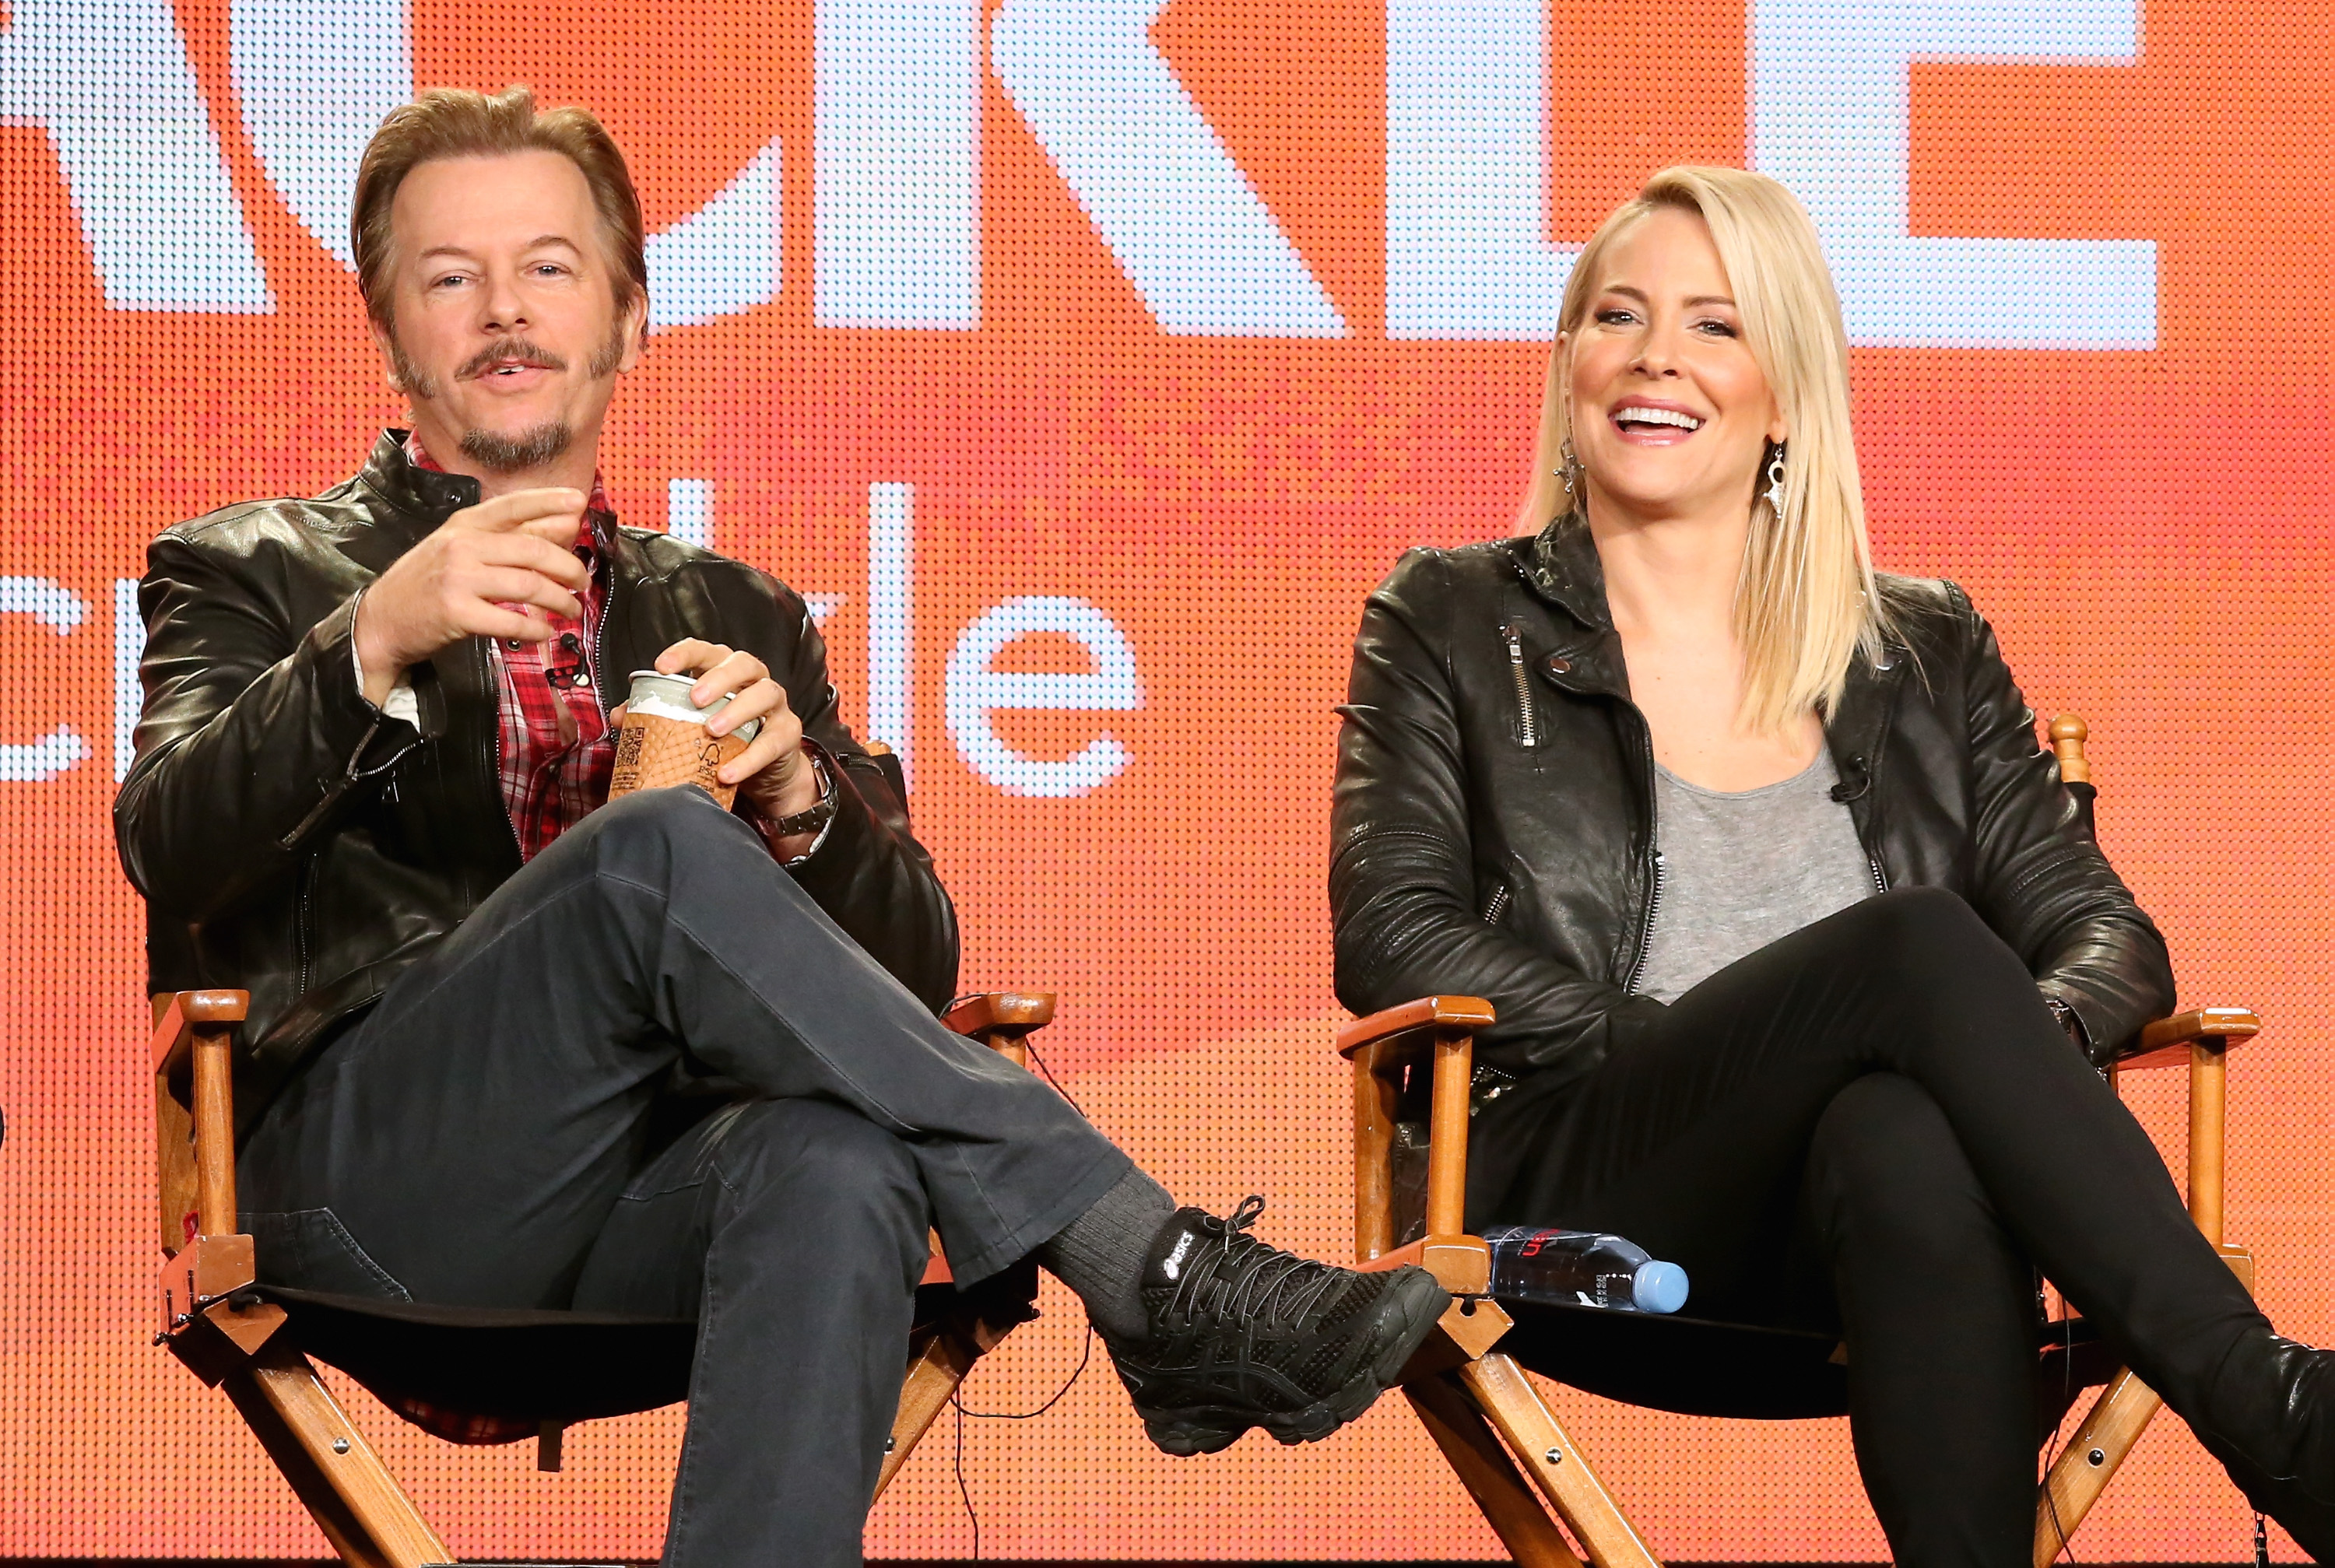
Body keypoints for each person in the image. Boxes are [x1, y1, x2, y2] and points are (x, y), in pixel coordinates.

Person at [114, 85, 1447, 1568]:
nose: (504, 310)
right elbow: (170, 845)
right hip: (372, 1195)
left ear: (631, 320)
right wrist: (371, 638)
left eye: (550, 267)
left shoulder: (740, 613)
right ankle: (1151, 1264)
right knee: (649, 850)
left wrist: (805, 802)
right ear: (388, 337)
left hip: (642, 1199)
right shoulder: (248, 569)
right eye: (450, 277)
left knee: (836, 1161)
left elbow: (913, 971)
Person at [1330, 165, 2333, 1565]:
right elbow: (1394, 928)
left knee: (1902, 1127)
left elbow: (2107, 936)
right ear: (1569, 363)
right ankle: (2270, 1404)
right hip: (1579, 1181)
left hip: (1849, 1221)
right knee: (1911, 945)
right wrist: (1694, 1042)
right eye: (1616, 315)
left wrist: (1999, 1071)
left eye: (1715, 325)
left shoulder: (1925, 646)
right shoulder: (1447, 613)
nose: (1654, 355)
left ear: (1788, 395)